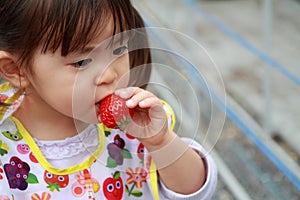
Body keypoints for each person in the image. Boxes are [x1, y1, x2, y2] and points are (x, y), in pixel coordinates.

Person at [0, 0, 217, 199]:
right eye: (82, 62)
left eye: (119, 49)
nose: (110, 74)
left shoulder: (134, 126)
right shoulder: (6, 153)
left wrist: (160, 142)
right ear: (16, 70)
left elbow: (195, 192)